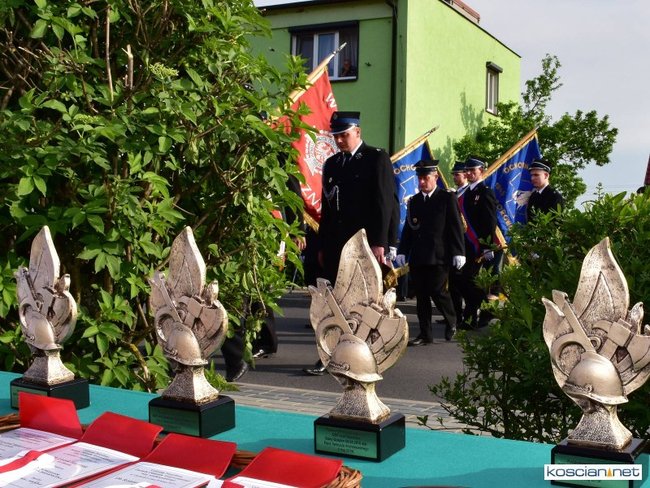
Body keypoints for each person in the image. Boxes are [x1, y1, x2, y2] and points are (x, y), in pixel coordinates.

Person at [303, 110, 397, 375]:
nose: (339, 141)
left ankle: (365, 354)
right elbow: (328, 209)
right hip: (336, 245)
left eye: (344, 135)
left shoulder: (376, 158)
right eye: (336, 136)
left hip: (363, 243)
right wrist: (322, 245)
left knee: (362, 304)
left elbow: (384, 203)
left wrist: (380, 242)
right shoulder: (332, 164)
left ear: (357, 131)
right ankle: (333, 353)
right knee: (336, 303)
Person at [395, 160, 465, 343]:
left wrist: (459, 252)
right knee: (422, 296)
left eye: (425, 178)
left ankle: (452, 321)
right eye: (419, 178)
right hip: (419, 256)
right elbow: (409, 229)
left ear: (435, 177)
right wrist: (403, 251)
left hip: (440, 255)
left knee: (437, 291)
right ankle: (425, 334)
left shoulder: (446, 198)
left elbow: (455, 227)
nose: (422, 182)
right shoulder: (414, 201)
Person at [457, 156, 498, 330]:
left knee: (468, 279)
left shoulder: (486, 192)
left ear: (481, 171)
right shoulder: (466, 193)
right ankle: (482, 312)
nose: (469, 173)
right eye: (467, 170)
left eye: (472, 170)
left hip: (479, 245)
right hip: (467, 244)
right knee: (465, 281)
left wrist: (487, 247)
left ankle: (473, 316)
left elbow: (489, 222)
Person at [448, 161, 468, 323]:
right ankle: (455, 315)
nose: (455, 177)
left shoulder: (469, 193)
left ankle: (466, 315)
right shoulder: (454, 194)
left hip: (467, 243)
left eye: (457, 174)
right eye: (453, 174)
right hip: (453, 243)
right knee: (453, 282)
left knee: (463, 282)